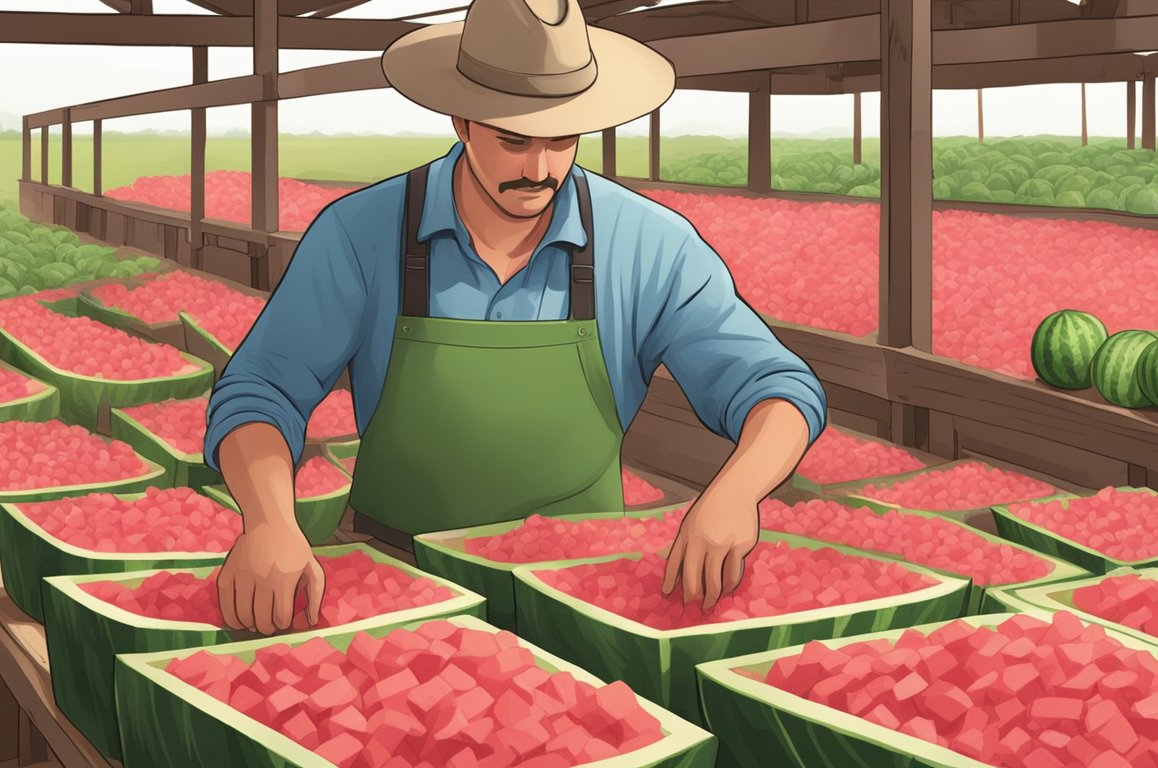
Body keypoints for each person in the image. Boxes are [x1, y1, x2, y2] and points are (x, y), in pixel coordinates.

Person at [203, 0, 828, 636]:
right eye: (514, 140)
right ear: (462, 121)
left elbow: (775, 386)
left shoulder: (650, 245)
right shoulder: (360, 233)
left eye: (562, 140)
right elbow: (263, 389)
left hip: (587, 592)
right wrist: (269, 521)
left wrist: (736, 491)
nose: (539, 170)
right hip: (395, 581)